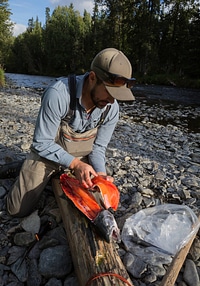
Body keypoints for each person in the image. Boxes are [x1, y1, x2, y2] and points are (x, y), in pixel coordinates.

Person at [6, 48, 135, 218]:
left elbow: (98, 148)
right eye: (110, 92)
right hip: (48, 154)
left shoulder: (111, 107)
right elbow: (41, 142)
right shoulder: (58, 94)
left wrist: (102, 177)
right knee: (16, 210)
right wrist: (74, 164)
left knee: (100, 206)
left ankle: (53, 173)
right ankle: (23, 167)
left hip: (83, 158)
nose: (112, 100)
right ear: (92, 78)